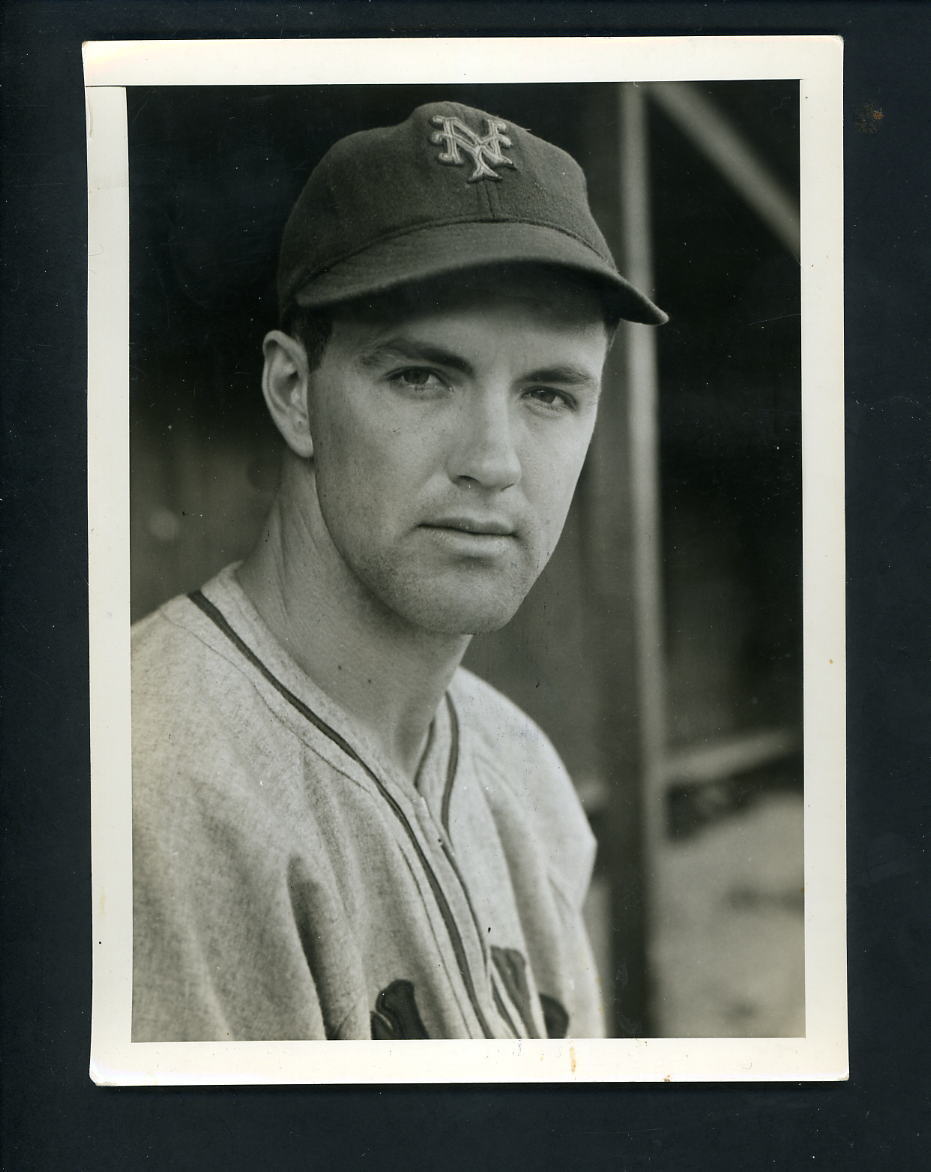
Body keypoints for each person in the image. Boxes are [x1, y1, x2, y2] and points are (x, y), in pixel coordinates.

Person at [131, 100, 666, 1042]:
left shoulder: (523, 771)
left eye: (549, 392)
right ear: (294, 395)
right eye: (422, 376)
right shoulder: (144, 791)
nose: (494, 460)